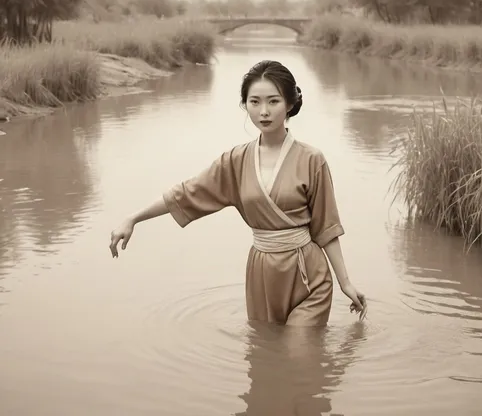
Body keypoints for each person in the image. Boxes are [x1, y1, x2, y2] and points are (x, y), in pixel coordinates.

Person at [109, 60, 367, 325]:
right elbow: (186, 193)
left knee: (299, 353)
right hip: (262, 275)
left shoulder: (312, 159)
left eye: (273, 101)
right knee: (265, 356)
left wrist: (345, 282)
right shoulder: (236, 161)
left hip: (308, 275)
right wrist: (133, 218)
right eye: (255, 102)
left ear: (290, 104)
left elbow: (327, 227)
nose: (264, 112)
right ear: (245, 105)